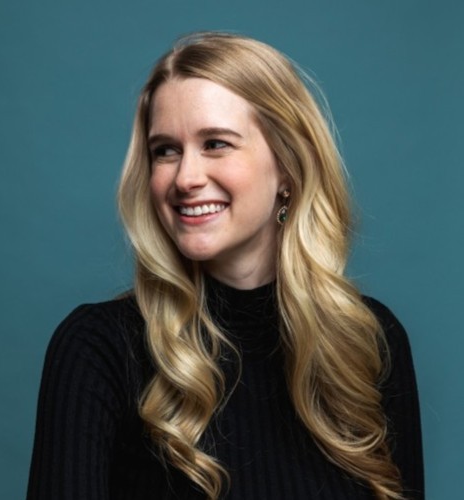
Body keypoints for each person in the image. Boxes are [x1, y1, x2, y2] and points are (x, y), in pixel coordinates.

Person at [27, 32, 424, 500]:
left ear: (288, 168)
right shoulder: (99, 349)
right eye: (165, 151)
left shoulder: (368, 341)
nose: (185, 178)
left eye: (215, 143)